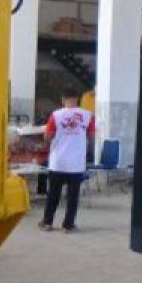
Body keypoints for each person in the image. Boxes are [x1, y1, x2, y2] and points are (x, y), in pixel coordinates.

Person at [39, 88, 94, 232]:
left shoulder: (55, 115)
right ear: (77, 99)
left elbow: (48, 136)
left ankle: (47, 222)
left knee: (53, 194)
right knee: (73, 197)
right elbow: (92, 135)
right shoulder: (88, 115)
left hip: (58, 162)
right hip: (76, 164)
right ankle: (68, 225)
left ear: (62, 99)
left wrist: (56, 136)